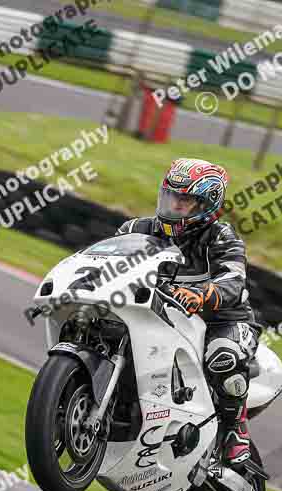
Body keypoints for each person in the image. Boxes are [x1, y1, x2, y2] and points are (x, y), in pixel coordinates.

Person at [115, 157, 261, 467]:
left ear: (206, 205)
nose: (175, 206)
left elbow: (234, 279)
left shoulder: (222, 237)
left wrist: (202, 294)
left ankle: (235, 430)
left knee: (224, 356)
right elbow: (107, 258)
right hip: (162, 312)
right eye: (170, 196)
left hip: (222, 321)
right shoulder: (137, 229)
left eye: (185, 200)